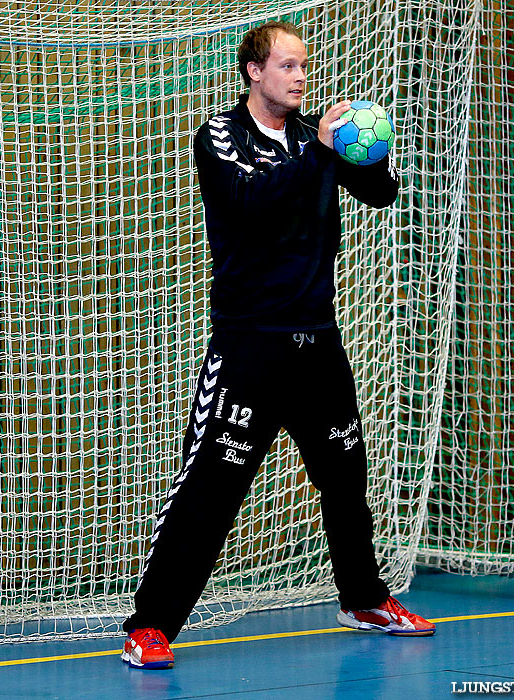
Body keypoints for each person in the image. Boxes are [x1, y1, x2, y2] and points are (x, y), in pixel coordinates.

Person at [121, 20, 435, 670]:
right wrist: (322, 152)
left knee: (345, 480)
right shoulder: (221, 137)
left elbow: (380, 195)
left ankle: (364, 599)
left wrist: (365, 151)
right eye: (286, 66)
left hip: (317, 344)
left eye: (302, 66)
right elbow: (251, 202)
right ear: (253, 72)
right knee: (209, 492)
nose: (298, 77)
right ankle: (150, 626)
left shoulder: (314, 135)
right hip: (249, 349)